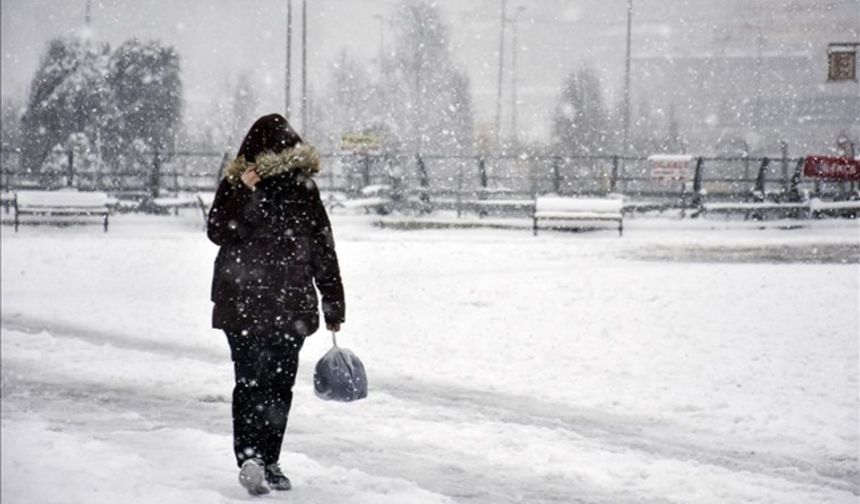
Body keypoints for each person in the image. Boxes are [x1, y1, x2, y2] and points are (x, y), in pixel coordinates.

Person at [207, 113, 345, 495]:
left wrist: (333, 300)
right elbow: (219, 232)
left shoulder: (300, 188)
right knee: (272, 386)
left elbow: (320, 244)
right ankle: (259, 459)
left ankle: (261, 457)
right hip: (268, 303)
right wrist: (242, 193)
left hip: (264, 303)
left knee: (258, 384)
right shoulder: (242, 184)